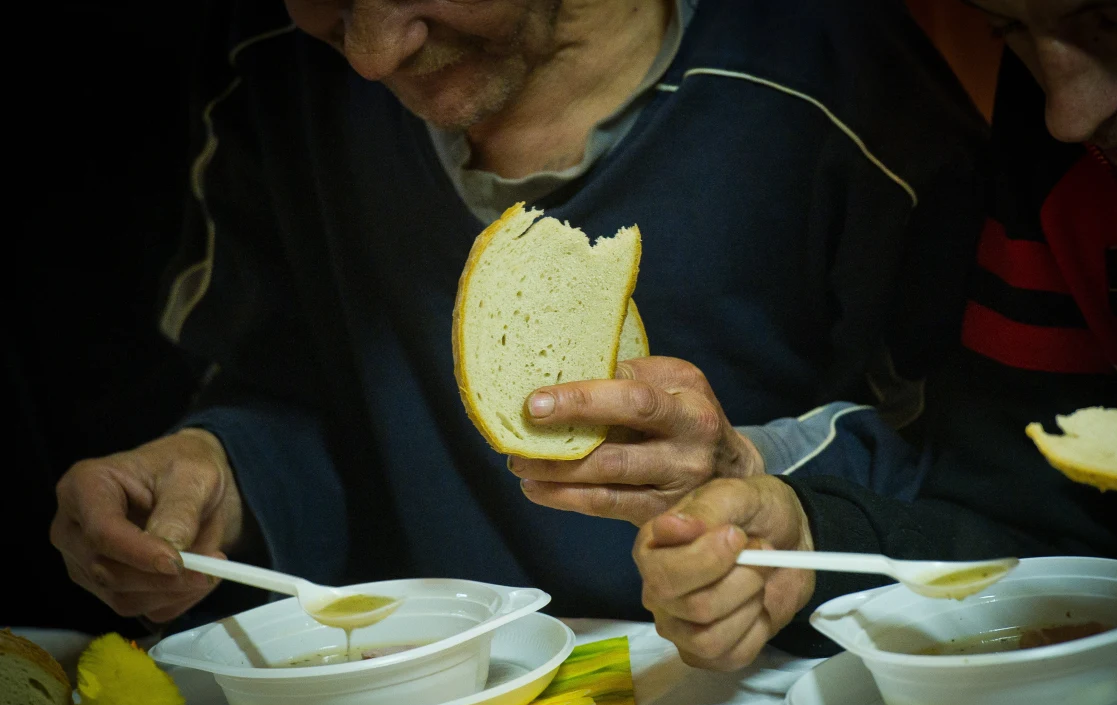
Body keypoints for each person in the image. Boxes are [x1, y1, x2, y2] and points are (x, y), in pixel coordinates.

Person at [49, 0, 988, 630]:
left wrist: (760, 473)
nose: (374, 53)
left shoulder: (846, 98)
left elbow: (980, 504)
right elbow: (297, 388)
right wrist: (222, 469)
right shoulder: (277, 75)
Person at [608, 0, 1117, 669]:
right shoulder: (1055, 152)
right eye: (1010, 33)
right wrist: (809, 543)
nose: (1069, 115)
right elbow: (1036, 533)